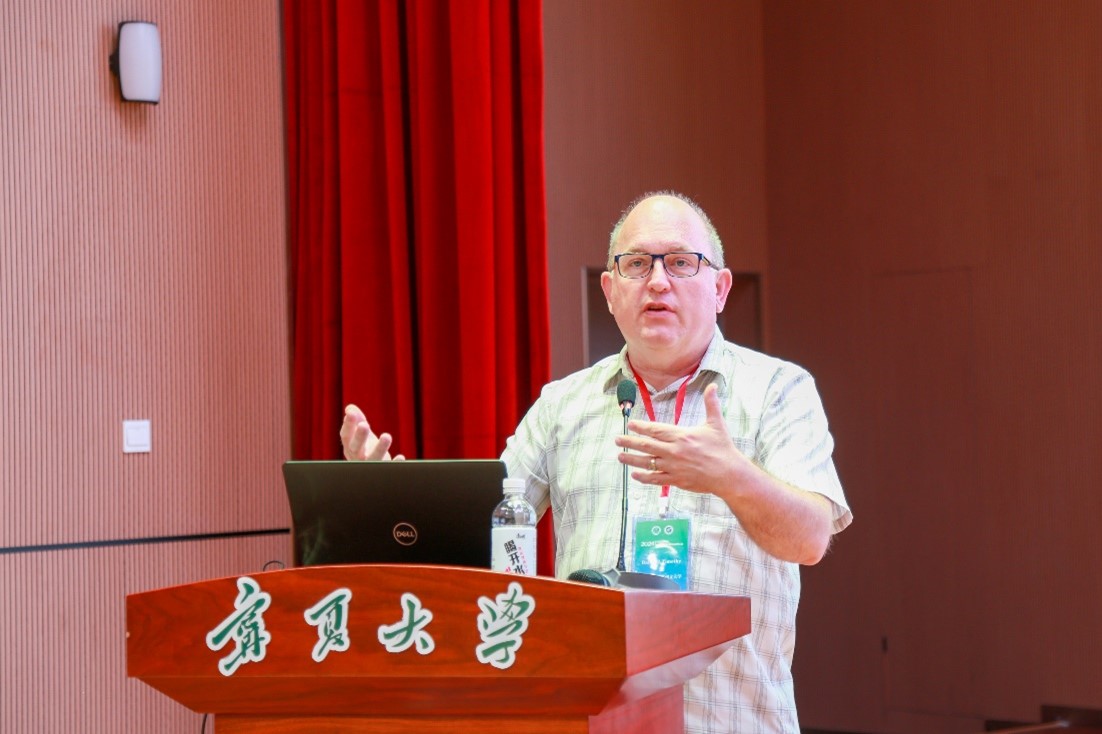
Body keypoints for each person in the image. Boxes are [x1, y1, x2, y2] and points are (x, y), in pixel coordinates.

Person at [341, 191, 852, 734]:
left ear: (720, 288)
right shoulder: (563, 405)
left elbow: (810, 538)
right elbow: (486, 535)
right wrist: (390, 499)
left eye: (681, 262)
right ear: (610, 291)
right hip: (589, 720)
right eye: (637, 264)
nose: (658, 282)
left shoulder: (777, 391)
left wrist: (731, 475)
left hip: (732, 720)